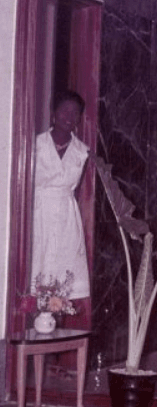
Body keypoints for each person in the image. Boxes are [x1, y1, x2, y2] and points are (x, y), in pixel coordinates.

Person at [31, 90, 91, 314]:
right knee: (37, 274)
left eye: (75, 113)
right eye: (64, 110)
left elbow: (75, 192)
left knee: (62, 284)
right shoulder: (35, 145)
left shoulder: (82, 152)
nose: (69, 116)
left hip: (66, 220)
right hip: (39, 215)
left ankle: (51, 337)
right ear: (54, 113)